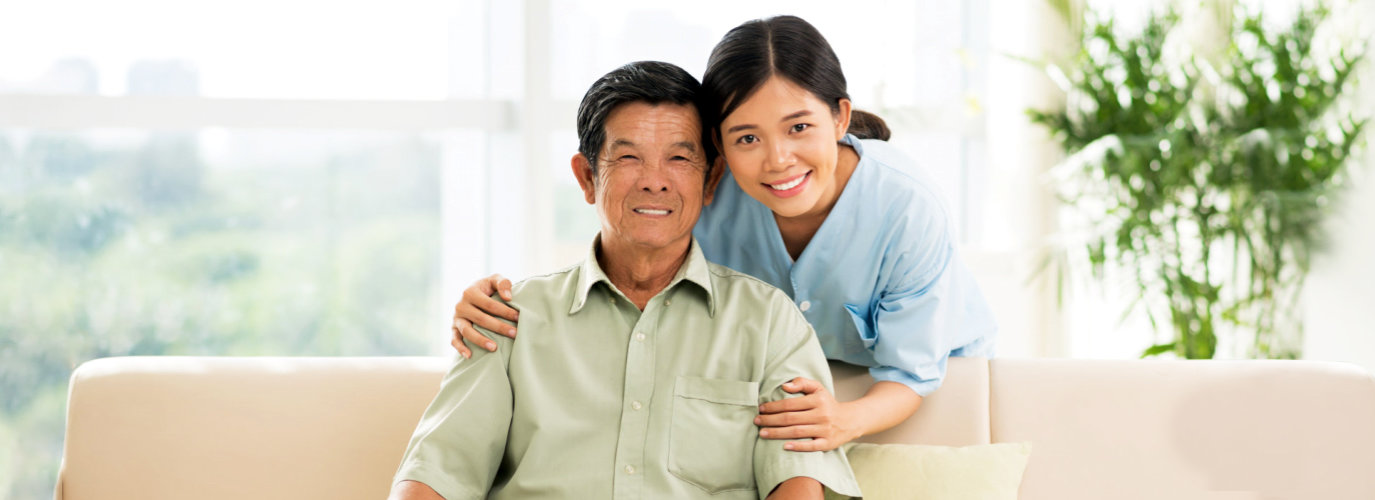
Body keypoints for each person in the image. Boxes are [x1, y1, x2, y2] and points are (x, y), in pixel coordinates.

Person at [452, 15, 997, 453]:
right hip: (781, 378)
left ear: (839, 117)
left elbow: (911, 371)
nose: (778, 160)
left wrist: (844, 419)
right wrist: (497, 303)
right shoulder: (707, 190)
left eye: (799, 127)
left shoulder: (905, 205)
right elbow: (628, 253)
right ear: (718, 146)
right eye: (746, 137)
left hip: (917, 383)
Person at [389, 61, 860, 500]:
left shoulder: (769, 320)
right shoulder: (508, 316)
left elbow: (797, 483)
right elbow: (435, 475)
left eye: (679, 158)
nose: (654, 181)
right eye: (629, 157)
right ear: (587, 177)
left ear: (711, 179)